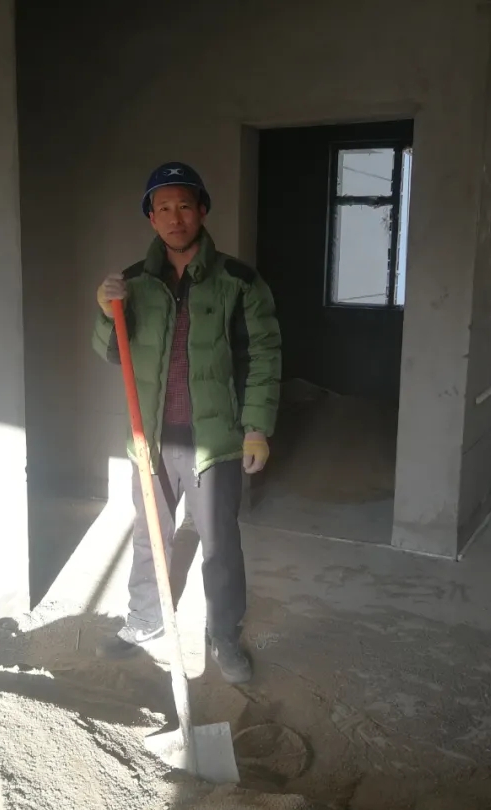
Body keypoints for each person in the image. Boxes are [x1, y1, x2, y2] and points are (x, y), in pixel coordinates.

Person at [91, 161, 281, 684]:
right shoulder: (133, 282)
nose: (175, 218)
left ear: (202, 211)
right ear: (151, 218)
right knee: (149, 537)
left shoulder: (239, 281)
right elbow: (111, 352)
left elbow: (264, 355)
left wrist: (256, 427)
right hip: (150, 439)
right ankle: (145, 619)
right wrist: (106, 312)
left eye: (184, 206)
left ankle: (223, 634)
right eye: (164, 208)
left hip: (213, 441)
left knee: (219, 546)